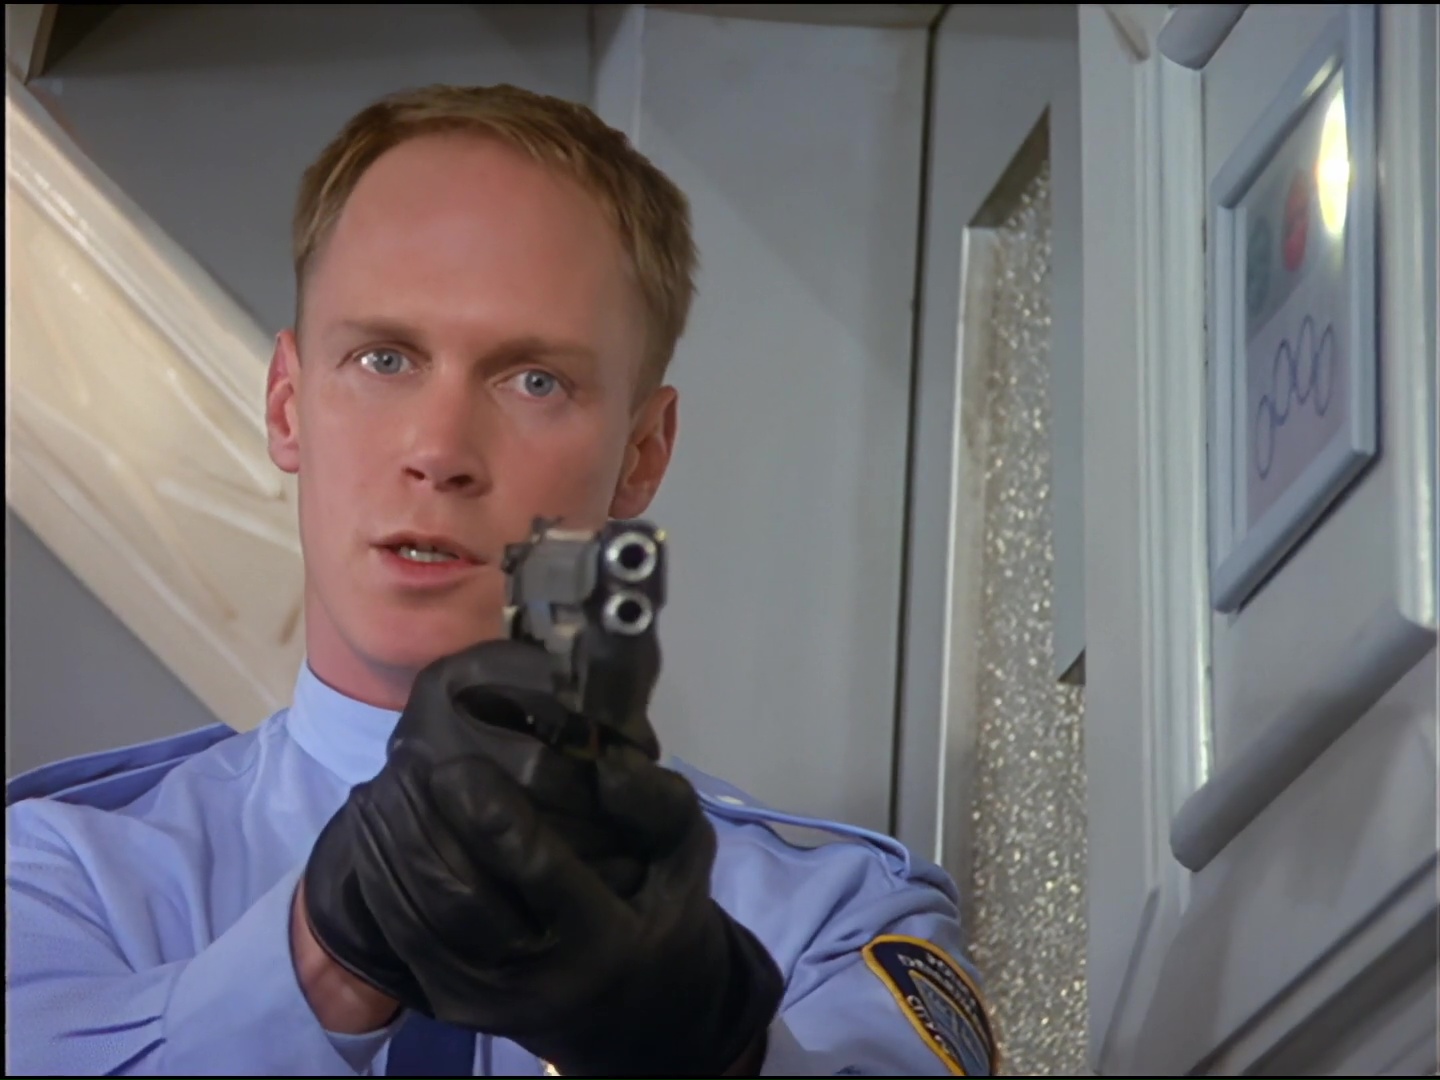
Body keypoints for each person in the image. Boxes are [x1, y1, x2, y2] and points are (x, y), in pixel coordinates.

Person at [5, 83, 999, 1077]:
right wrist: (322, 959)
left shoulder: (835, 922)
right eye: (384, 358)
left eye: (535, 381)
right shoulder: (52, 880)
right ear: (286, 406)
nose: (440, 452)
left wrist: (702, 1053)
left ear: (642, 453)